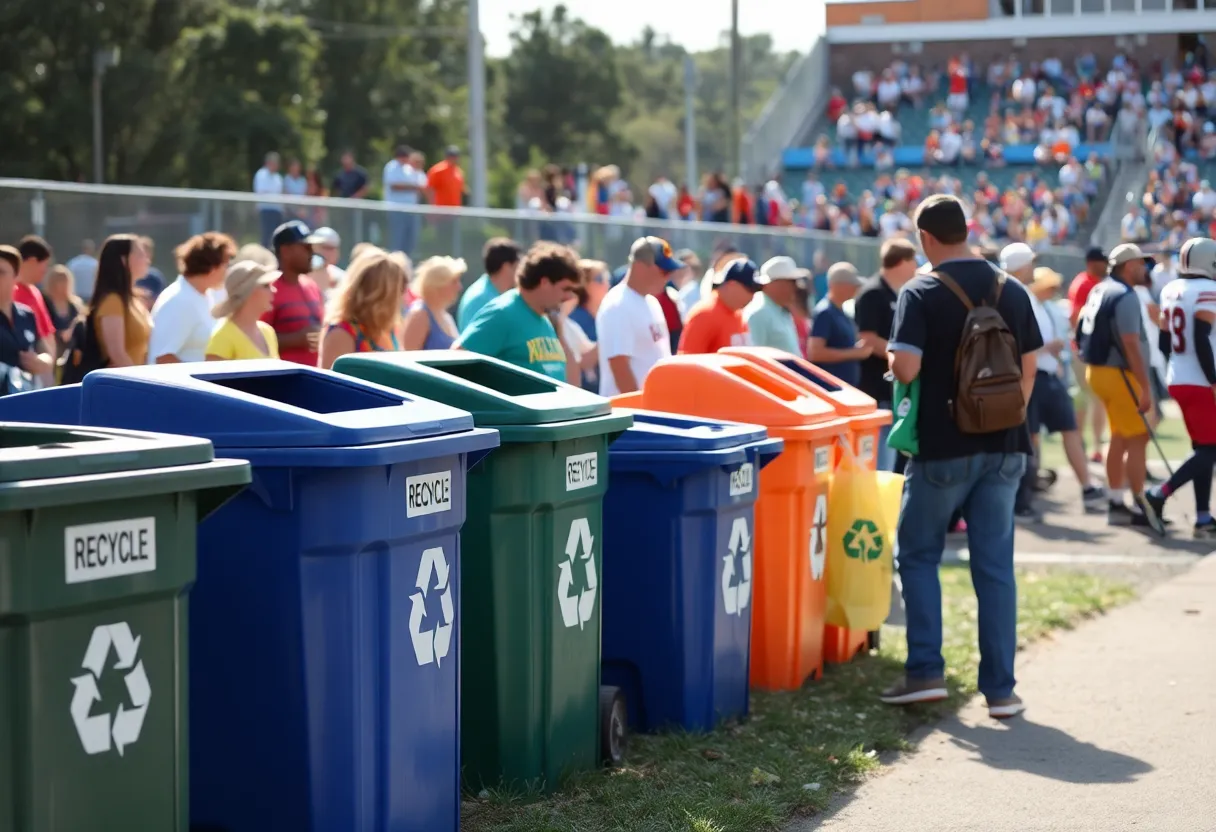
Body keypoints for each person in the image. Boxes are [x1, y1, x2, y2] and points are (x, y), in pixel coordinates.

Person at [883, 194, 1041, 719]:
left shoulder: (920, 290)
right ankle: (1001, 690)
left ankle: (926, 671)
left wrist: (892, 356)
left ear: (926, 238)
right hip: (1005, 446)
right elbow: (1030, 366)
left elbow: (905, 368)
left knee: (919, 553)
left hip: (943, 445)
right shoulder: (1011, 288)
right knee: (995, 568)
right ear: (966, 230)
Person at [999, 243, 1105, 515]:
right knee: (1030, 438)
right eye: (1029, 263)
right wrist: (1046, 351)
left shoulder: (1026, 296)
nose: (1033, 268)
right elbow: (1018, 344)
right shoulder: (1012, 295)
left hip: (1045, 374)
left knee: (1066, 428)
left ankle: (1086, 487)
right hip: (1029, 376)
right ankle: (1024, 494)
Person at [1076, 243, 1164, 532]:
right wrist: (1144, 387)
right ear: (1128, 266)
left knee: (1119, 436)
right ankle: (1140, 505)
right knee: (1138, 437)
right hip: (1119, 374)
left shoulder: (1100, 288)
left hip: (1098, 370)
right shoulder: (1124, 294)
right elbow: (1130, 342)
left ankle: (1116, 501)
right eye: (1140, 263)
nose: (1144, 268)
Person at [1146, 237, 1216, 537]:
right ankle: (1160, 492)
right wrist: (1212, 380)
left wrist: (1178, 366)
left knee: (1204, 448)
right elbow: (1201, 338)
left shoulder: (1171, 289)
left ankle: (1202, 516)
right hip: (1201, 380)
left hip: (1178, 377)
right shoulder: (1208, 290)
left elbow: (1164, 341)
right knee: (1210, 450)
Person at [455, 241, 580, 383]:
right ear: (544, 282)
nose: (570, 297)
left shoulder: (544, 318)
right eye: (566, 289)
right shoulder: (503, 313)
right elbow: (456, 361)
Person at [855, 239, 918, 471]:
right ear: (902, 262)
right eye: (913, 261)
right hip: (877, 390)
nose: (915, 267)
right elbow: (868, 339)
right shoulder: (873, 293)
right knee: (880, 463)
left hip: (895, 391)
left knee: (894, 461)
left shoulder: (900, 293)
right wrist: (901, 356)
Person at [595, 236, 679, 396]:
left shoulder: (652, 302)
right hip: (630, 414)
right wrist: (641, 411)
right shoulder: (618, 304)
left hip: (652, 409)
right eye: (663, 271)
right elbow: (620, 368)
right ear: (640, 267)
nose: (667, 277)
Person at [148, 232, 235, 364]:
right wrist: (196, 383)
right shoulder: (178, 301)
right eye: (226, 265)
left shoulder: (206, 295)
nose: (228, 271)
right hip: (181, 384)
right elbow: (162, 358)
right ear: (212, 267)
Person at [318, 250, 405, 369]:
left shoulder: (388, 329)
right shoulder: (342, 333)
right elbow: (330, 385)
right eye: (396, 290)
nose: (400, 297)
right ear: (378, 295)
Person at [264, 220, 326, 366]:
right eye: (306, 247)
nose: (312, 253)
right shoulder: (268, 290)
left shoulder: (312, 286)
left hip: (315, 376)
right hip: (284, 379)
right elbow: (253, 339)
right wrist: (295, 339)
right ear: (286, 251)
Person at [1068, 247, 1109, 461]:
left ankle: (1094, 446)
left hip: (1092, 350)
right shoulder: (1084, 283)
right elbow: (1075, 316)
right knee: (1086, 398)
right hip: (1084, 351)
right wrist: (1085, 346)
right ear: (1092, 263)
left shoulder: (1097, 282)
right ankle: (1084, 443)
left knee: (1096, 399)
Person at [678, 259, 766, 354]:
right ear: (733, 285)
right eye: (750, 289)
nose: (752, 296)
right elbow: (687, 360)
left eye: (756, 290)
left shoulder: (737, 314)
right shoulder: (705, 314)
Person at [91, 235, 154, 368]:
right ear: (124, 260)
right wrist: (137, 384)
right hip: (121, 385)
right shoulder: (112, 301)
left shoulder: (135, 301)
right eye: (140, 254)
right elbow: (117, 354)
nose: (147, 260)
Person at [809, 262, 870, 386]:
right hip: (830, 389)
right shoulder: (824, 313)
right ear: (839, 285)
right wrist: (855, 353)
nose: (856, 289)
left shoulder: (841, 312)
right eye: (852, 285)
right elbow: (815, 353)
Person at [0, 246, 51, 394]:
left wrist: (40, 362)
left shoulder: (27, 314)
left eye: (1, 272)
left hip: (24, 400)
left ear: (16, 276)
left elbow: (46, 353)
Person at [206, 261, 280, 361]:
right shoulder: (222, 336)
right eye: (266, 285)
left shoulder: (268, 332)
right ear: (248, 291)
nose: (274, 290)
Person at [745, 256, 811, 355]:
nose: (795, 287)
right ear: (774, 283)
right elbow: (754, 356)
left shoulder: (781, 309)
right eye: (791, 282)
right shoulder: (759, 312)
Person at [457, 238, 522, 331]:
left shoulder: (494, 293)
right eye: (519, 265)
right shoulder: (480, 299)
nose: (522, 271)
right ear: (506, 267)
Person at [401, 256, 464, 351]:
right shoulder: (420, 315)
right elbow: (407, 357)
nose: (459, 287)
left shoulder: (445, 315)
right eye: (454, 281)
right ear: (437, 284)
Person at [14, 236, 56, 370]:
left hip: (42, 371)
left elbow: (45, 334)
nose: (46, 271)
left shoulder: (35, 292)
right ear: (32, 261)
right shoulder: (10, 293)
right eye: (45, 264)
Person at [570, 259, 609, 392]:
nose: (606, 283)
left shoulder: (603, 313)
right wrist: (611, 336)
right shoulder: (574, 318)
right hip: (584, 393)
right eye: (599, 278)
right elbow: (582, 363)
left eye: (606, 277)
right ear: (583, 284)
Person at [382, 145, 427, 255]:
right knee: (398, 239)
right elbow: (394, 186)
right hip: (396, 209)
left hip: (412, 210)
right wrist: (413, 187)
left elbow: (423, 185)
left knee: (411, 240)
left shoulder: (409, 169)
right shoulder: (392, 167)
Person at [44, 265, 85, 363]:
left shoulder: (75, 304)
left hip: (72, 350)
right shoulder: (45, 303)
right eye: (59, 281)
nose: (63, 284)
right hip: (52, 348)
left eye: (65, 280)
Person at [253, 152, 285, 248]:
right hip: (265, 209)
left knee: (276, 235)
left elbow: (280, 193)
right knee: (266, 235)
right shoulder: (261, 174)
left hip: (277, 210)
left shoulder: (278, 177)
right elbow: (261, 191)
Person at [308, 227, 347, 299]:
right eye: (325, 248)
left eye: (332, 248)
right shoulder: (301, 274)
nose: (329, 253)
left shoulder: (342, 276)